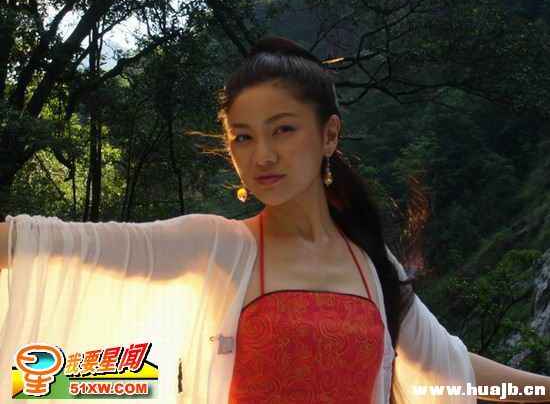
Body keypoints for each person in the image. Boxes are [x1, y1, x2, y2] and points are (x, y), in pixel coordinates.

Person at [0, 36, 549, 404]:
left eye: (283, 129)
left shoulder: (370, 264)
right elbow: (47, 247)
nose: (262, 155)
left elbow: (450, 368)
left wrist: (538, 390)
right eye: (243, 137)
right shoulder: (217, 249)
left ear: (329, 135)